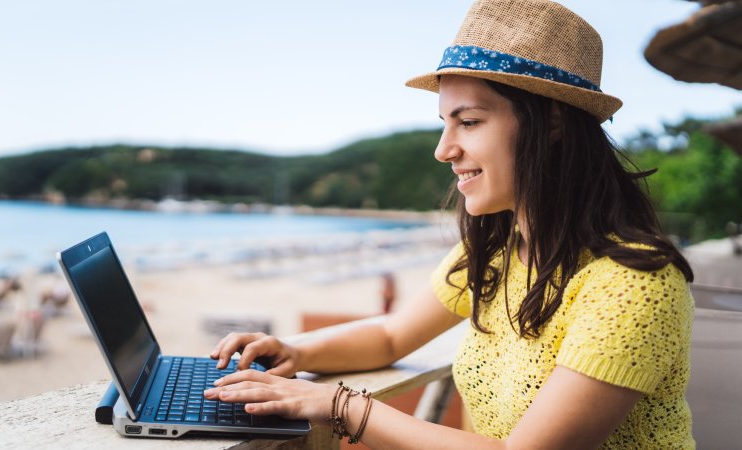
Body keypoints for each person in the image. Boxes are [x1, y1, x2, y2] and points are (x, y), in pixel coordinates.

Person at [203, 0, 696, 448]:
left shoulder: (634, 285)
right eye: (445, 123)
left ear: (552, 125)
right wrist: (293, 350)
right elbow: (393, 336)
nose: (444, 150)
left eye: (470, 121)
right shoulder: (500, 251)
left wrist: (338, 405)